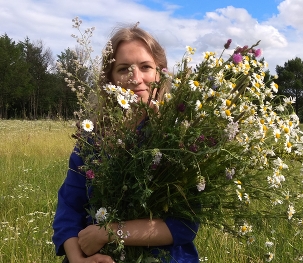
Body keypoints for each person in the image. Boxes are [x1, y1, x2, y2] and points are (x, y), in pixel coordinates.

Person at [52, 25, 200, 263]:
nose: (135, 78)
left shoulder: (178, 142)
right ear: (109, 79)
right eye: (123, 69)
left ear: (160, 74)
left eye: (145, 67)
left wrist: (109, 232)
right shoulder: (91, 140)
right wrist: (77, 259)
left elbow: (185, 225)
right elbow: (69, 209)